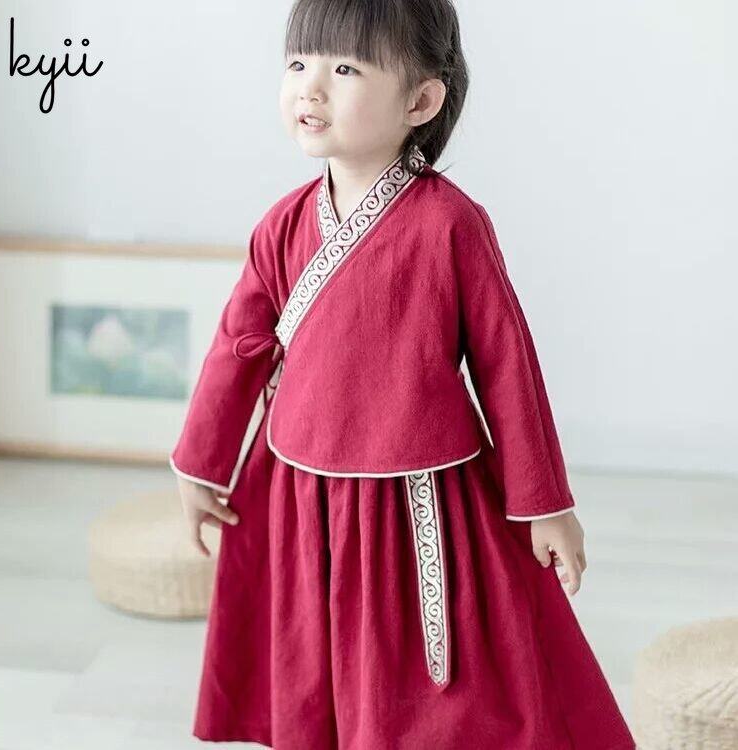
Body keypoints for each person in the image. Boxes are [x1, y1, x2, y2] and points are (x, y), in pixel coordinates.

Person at [170, 1, 636, 748]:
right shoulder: (282, 225)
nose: (309, 87)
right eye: (298, 64)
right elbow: (239, 346)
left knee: (431, 692)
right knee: (316, 668)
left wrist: (544, 502)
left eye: (344, 68)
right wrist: (202, 465)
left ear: (419, 101)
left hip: (421, 500)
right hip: (303, 493)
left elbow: (506, 364)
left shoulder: (451, 224)